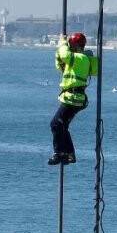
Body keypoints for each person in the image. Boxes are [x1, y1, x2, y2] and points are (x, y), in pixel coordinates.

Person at [49, 32, 98, 166]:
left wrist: (62, 43)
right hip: (75, 98)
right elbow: (61, 65)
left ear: (75, 45)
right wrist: (59, 54)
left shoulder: (79, 58)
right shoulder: (79, 60)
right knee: (62, 126)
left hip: (72, 98)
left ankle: (59, 153)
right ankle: (69, 154)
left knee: (55, 124)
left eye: (71, 44)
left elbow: (65, 55)